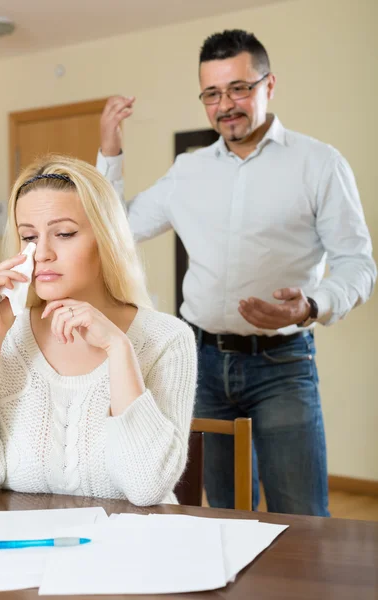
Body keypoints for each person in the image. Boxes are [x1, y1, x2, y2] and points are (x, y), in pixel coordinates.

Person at [96, 29, 376, 516]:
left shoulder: (319, 164)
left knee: (301, 515)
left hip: (283, 365)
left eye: (240, 88)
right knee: (223, 513)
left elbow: (357, 264)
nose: (226, 104)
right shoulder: (188, 171)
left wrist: (312, 304)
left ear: (269, 85)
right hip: (201, 363)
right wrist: (109, 152)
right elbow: (113, 231)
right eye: (212, 93)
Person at [0, 155, 197, 505]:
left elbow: (147, 488)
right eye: (28, 237)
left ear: (106, 239)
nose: (42, 254)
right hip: (20, 551)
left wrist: (118, 349)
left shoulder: (166, 339)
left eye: (64, 234)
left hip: (128, 551)